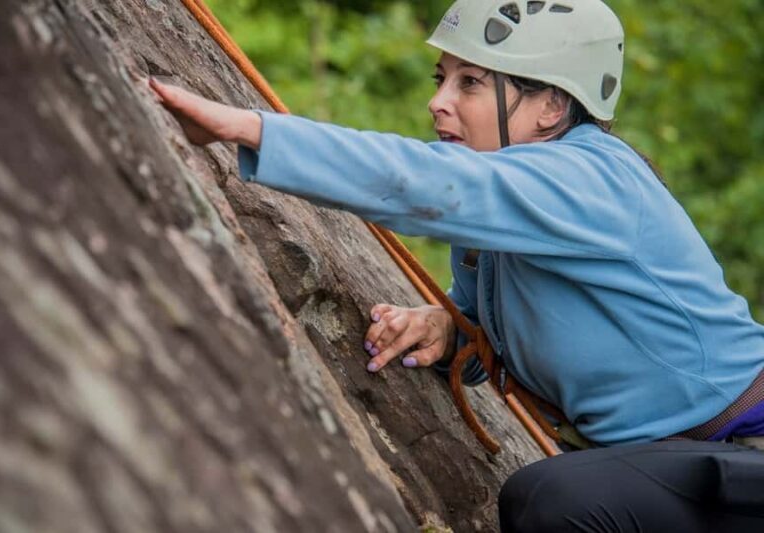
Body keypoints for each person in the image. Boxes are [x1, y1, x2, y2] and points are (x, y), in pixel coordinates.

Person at [151, 0, 764, 530]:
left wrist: (253, 129)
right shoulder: (505, 211)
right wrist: (449, 330)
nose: (437, 102)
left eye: (470, 84)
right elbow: (492, 320)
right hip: (693, 468)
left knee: (553, 499)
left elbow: (428, 182)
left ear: (550, 106)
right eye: (442, 79)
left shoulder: (590, 178)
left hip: (743, 462)